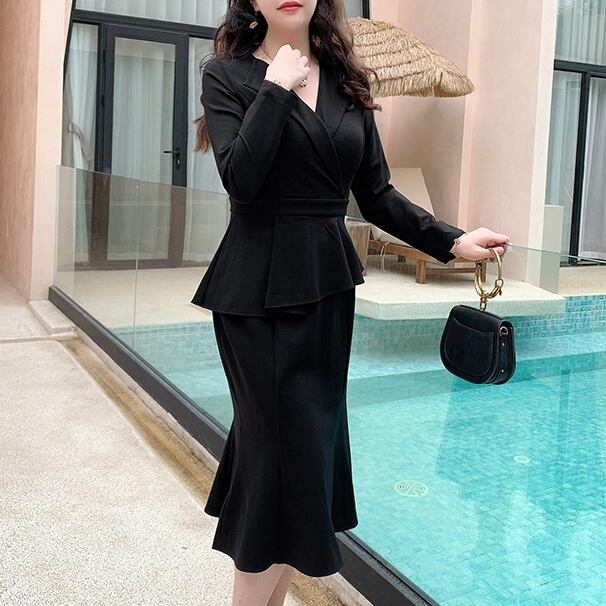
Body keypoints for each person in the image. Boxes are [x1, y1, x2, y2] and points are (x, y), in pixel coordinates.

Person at [191, 1, 510, 604]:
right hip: (255, 294)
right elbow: (241, 178)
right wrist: (276, 88)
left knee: (302, 461)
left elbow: (377, 193)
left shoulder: (346, 79)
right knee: (276, 462)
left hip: (326, 288)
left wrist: (451, 241)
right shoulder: (228, 75)